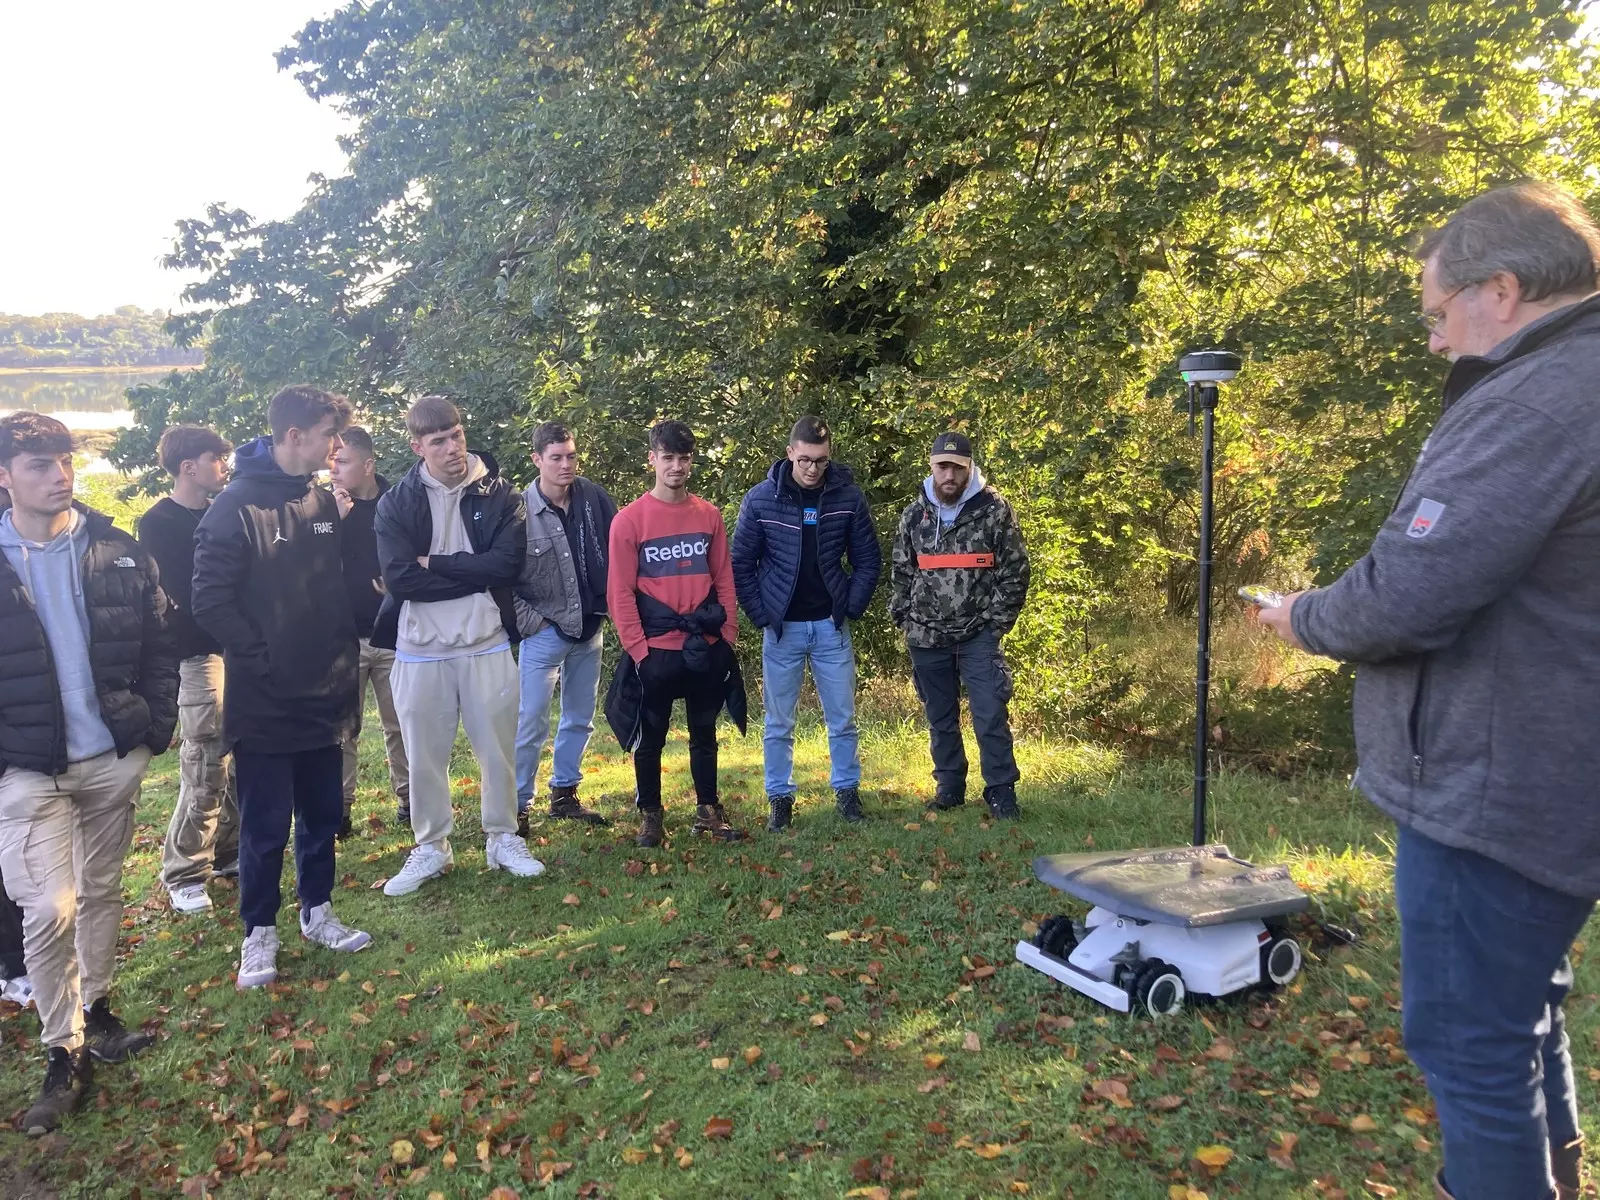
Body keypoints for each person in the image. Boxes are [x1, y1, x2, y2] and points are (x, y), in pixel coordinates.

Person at [1254, 182, 1600, 1200]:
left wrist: (1302, 617)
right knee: (1522, 1012)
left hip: (1497, 785)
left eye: (1437, 315)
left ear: (1501, 289)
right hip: (1553, 770)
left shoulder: (1538, 400)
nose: (1436, 342)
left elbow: (1408, 593)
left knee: (1470, 1045)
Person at [0, 411, 178, 1136]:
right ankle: (62, 1048)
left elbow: (162, 640)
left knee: (102, 890)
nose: (59, 475)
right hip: (25, 769)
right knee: (49, 909)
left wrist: (151, 733)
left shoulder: (115, 548)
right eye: (39, 464)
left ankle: (97, 1010)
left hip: (111, 756)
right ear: (5, 475)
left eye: (65, 460)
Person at [192, 386, 372, 992]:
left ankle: (317, 910)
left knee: (323, 815)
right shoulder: (234, 507)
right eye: (327, 436)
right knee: (266, 828)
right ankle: (258, 933)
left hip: (328, 691)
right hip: (267, 701)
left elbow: (327, 587)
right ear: (295, 436)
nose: (334, 447)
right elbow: (209, 601)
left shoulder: (320, 501)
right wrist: (263, 657)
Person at [373, 396, 542, 896]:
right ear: (417, 446)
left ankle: (503, 837)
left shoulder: (500, 494)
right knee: (423, 753)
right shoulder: (397, 502)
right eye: (439, 440)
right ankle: (432, 846)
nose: (452, 448)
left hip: (486, 641)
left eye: (456, 435)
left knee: (497, 748)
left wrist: (436, 564)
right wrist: (468, 569)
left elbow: (506, 567)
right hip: (419, 646)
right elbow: (400, 579)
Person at [732, 415, 881, 830]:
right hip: (782, 629)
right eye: (805, 460)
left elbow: (868, 559)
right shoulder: (761, 499)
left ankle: (848, 794)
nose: (813, 468)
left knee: (843, 718)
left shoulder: (847, 497)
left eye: (820, 460)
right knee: (778, 722)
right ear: (789, 455)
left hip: (831, 626)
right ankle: (780, 798)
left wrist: (850, 607)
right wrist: (761, 614)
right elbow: (740, 563)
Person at [604, 420, 747, 848]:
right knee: (651, 738)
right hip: (657, 649)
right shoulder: (629, 521)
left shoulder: (708, 515)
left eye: (684, 458)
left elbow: (724, 579)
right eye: (668, 457)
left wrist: (728, 635)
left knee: (705, 732)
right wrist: (638, 649)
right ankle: (651, 814)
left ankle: (708, 809)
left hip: (704, 645)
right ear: (652, 459)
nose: (677, 466)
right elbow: (619, 592)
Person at [890, 431, 1029, 820]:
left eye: (957, 467)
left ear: (969, 468)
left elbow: (1015, 570)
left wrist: (997, 623)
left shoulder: (994, 510)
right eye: (942, 466)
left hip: (978, 635)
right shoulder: (915, 514)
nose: (948, 475)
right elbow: (902, 570)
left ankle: (1001, 791)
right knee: (940, 717)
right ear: (931, 466)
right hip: (926, 634)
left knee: (989, 715)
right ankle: (949, 786)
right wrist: (903, 616)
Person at [138, 425, 239, 914]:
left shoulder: (230, 510)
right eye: (216, 458)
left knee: (247, 754)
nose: (224, 465)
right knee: (206, 760)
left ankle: (230, 853)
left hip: (244, 649)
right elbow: (187, 593)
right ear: (188, 467)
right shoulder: (158, 523)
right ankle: (184, 871)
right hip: (201, 655)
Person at [513, 420, 617, 833]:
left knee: (579, 716)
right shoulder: (518, 512)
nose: (565, 465)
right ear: (537, 459)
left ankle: (565, 794)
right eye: (555, 457)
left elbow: (619, 548)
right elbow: (502, 581)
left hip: (590, 628)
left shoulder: (594, 498)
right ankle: (518, 805)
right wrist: (533, 624)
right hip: (545, 632)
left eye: (571, 455)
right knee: (531, 720)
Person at [329, 425, 410, 834]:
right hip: (343, 638)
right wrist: (333, 520)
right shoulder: (323, 509)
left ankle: (411, 801)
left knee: (402, 723)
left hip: (395, 634)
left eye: (342, 461)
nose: (334, 470)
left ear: (368, 465)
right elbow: (307, 569)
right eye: (331, 461)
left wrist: (400, 586)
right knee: (344, 729)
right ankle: (339, 812)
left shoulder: (397, 502)